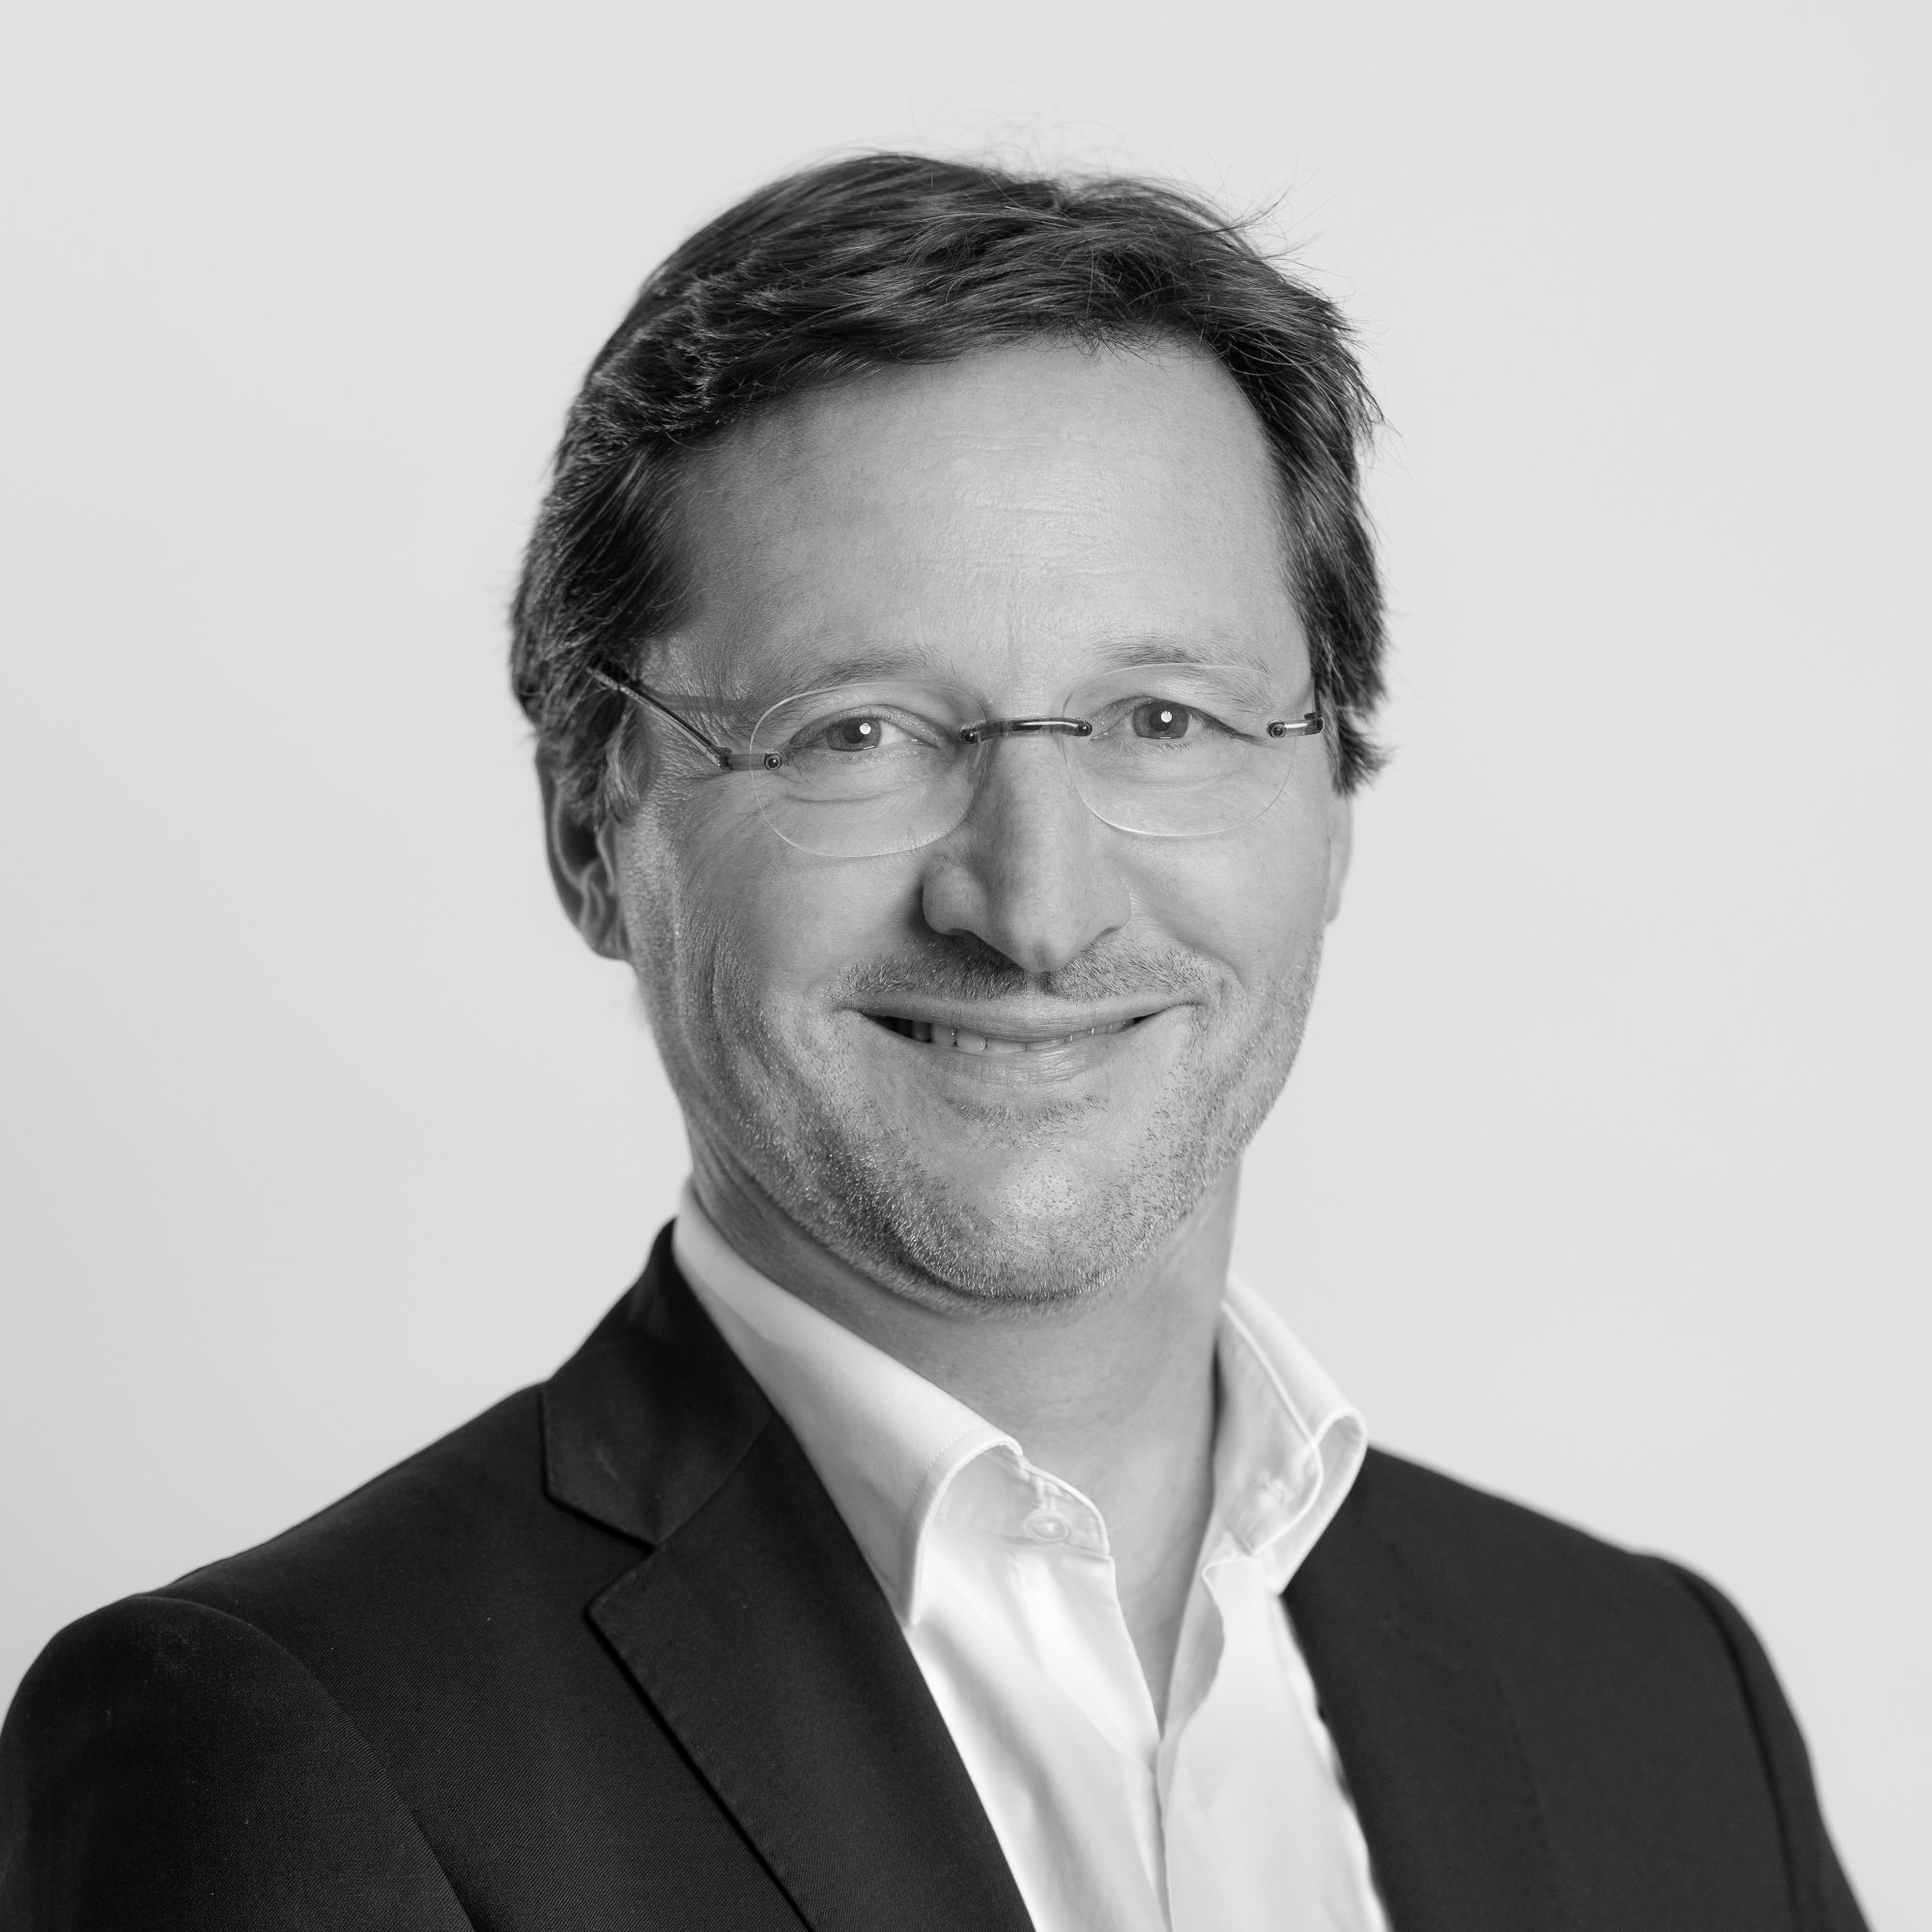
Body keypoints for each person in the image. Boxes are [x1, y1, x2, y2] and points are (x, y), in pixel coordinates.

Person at [0, 153, 1866, 1932]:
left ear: (1336, 800)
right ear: (590, 832)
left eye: (1162, 718)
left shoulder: (1655, 1696)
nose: (1035, 907)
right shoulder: (291, 1743)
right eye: (859, 734)